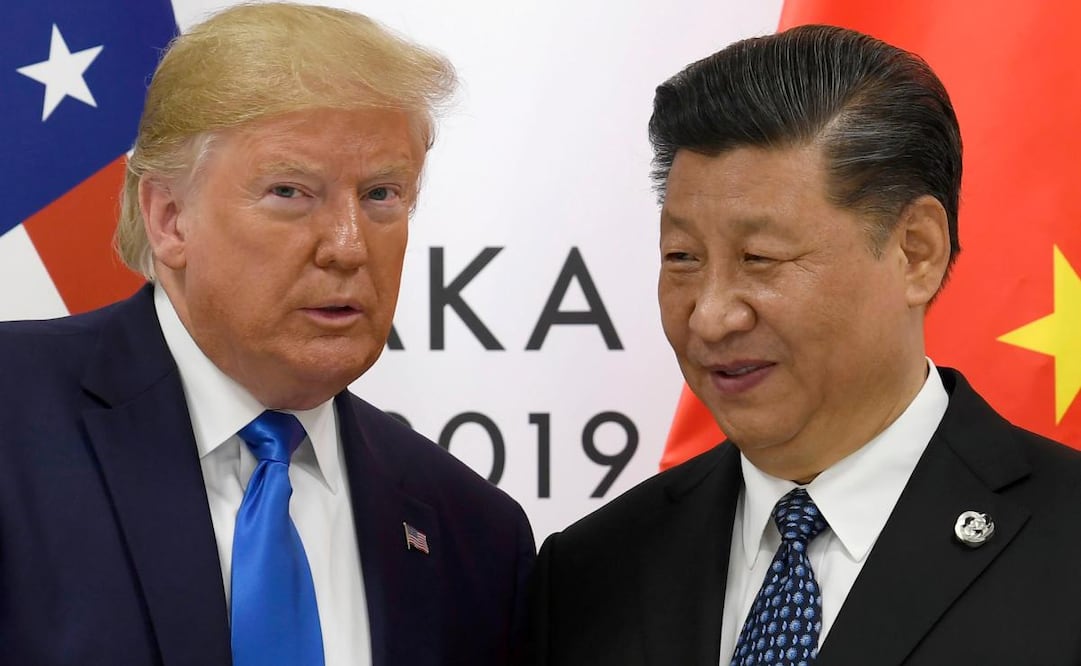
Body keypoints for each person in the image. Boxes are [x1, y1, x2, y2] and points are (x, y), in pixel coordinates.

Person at [527, 24, 1081, 666]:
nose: (709, 317)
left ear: (915, 252)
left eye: (759, 258)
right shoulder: (591, 571)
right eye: (682, 257)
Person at [0, 4, 534, 665]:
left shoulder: (473, 535)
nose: (347, 246)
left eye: (381, 196)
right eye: (290, 191)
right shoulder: (13, 417)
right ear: (169, 218)